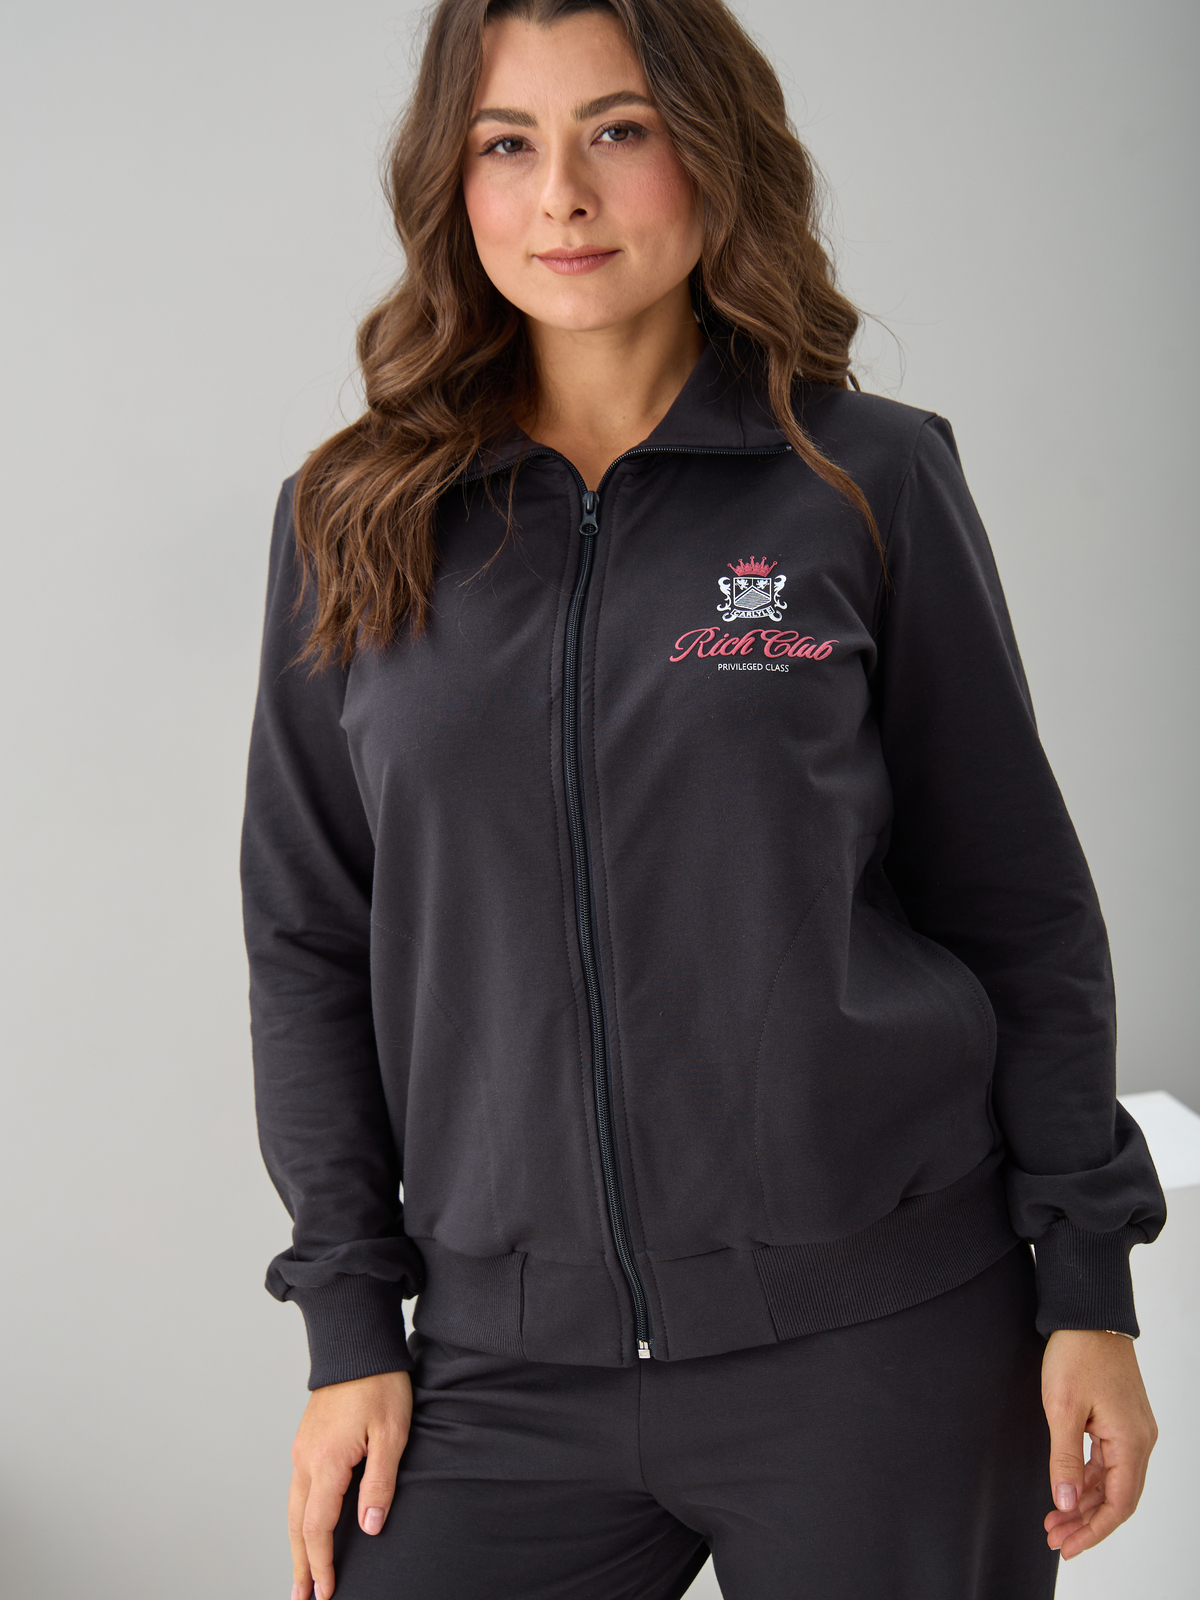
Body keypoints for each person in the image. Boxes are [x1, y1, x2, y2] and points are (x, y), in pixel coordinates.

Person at [240, 2, 1167, 1596]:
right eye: (507, 144)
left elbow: (1017, 903)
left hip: (882, 1340)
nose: (562, 195)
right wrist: (349, 1328)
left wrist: (1089, 1287)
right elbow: (309, 940)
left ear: (712, 149)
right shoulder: (354, 518)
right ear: (451, 181)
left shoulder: (864, 479)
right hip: (504, 1362)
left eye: (620, 130)